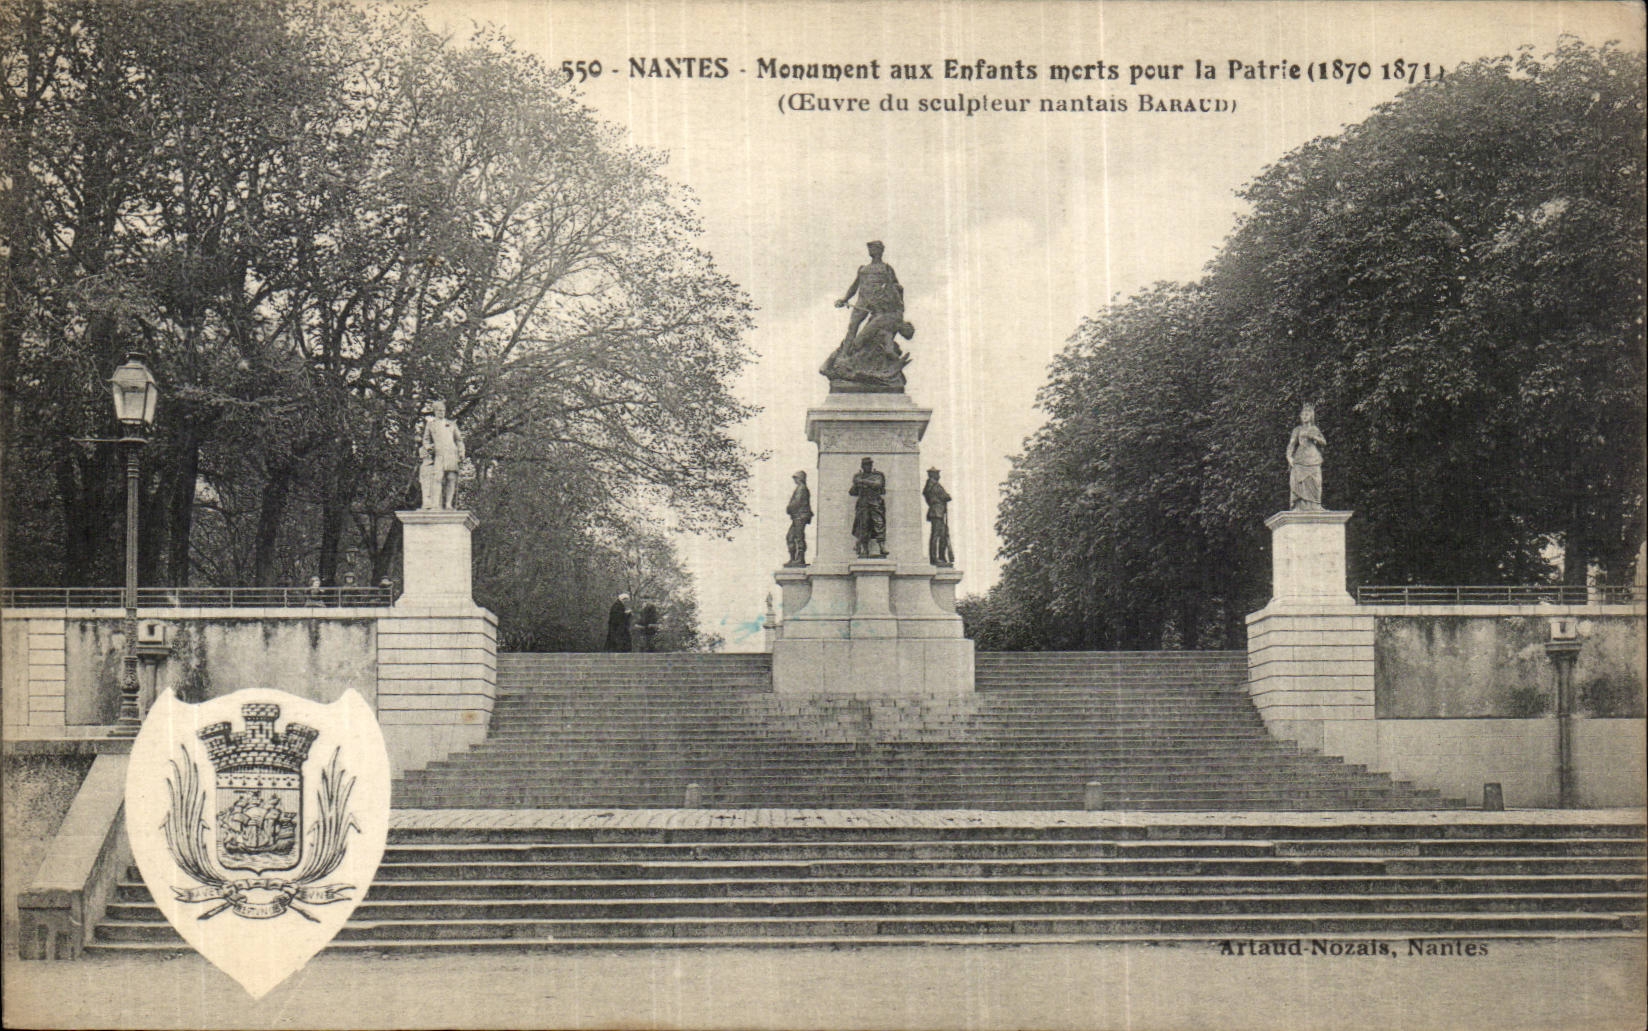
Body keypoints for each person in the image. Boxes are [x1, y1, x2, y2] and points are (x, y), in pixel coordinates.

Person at [834, 241, 902, 347]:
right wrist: (844, 299)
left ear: (880, 250)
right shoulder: (863, 269)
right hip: (862, 301)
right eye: (870, 248)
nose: (870, 250)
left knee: (873, 328)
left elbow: (895, 288)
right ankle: (845, 352)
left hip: (878, 303)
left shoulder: (886, 268)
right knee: (853, 326)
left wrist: (896, 307)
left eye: (873, 248)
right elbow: (854, 286)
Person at [418, 400, 465, 510]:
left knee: (451, 478)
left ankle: (448, 503)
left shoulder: (451, 424)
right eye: (439, 410)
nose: (441, 412)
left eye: (443, 410)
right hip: (439, 454)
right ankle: (435, 504)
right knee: (438, 478)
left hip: (451, 453)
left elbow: (459, 440)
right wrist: (428, 447)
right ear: (434, 411)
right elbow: (425, 440)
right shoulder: (431, 425)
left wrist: (461, 452)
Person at [1288, 403, 1327, 511]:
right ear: (1300, 416)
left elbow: (1323, 442)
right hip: (1300, 458)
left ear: (1311, 416)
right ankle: (1300, 505)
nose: (1305, 416)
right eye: (1303, 414)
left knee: (1316, 481)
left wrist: (1313, 437)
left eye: (1307, 414)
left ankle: (1316, 505)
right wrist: (1289, 457)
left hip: (1313, 457)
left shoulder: (1315, 429)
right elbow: (1291, 445)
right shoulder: (1297, 429)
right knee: (1299, 481)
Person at [849, 457, 888, 558]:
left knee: (879, 524)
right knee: (863, 526)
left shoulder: (878, 475)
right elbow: (853, 491)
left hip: (876, 503)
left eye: (869, 464)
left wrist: (863, 482)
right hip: (863, 504)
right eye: (866, 465)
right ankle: (864, 550)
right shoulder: (858, 476)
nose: (868, 466)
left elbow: (878, 484)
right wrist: (861, 484)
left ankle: (882, 547)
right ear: (862, 466)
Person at [923, 467, 954, 567]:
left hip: (938, 512)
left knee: (943, 534)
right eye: (937, 474)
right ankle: (936, 557)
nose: (939, 476)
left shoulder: (930, 485)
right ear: (933, 475)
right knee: (937, 535)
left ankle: (941, 557)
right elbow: (946, 496)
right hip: (937, 512)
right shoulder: (934, 485)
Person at [785, 470, 813, 566]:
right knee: (791, 537)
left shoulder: (802, 488)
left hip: (800, 516)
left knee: (797, 537)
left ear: (800, 478)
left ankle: (799, 559)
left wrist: (789, 508)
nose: (795, 480)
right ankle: (794, 559)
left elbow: (797, 502)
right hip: (797, 516)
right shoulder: (800, 488)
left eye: (796, 478)